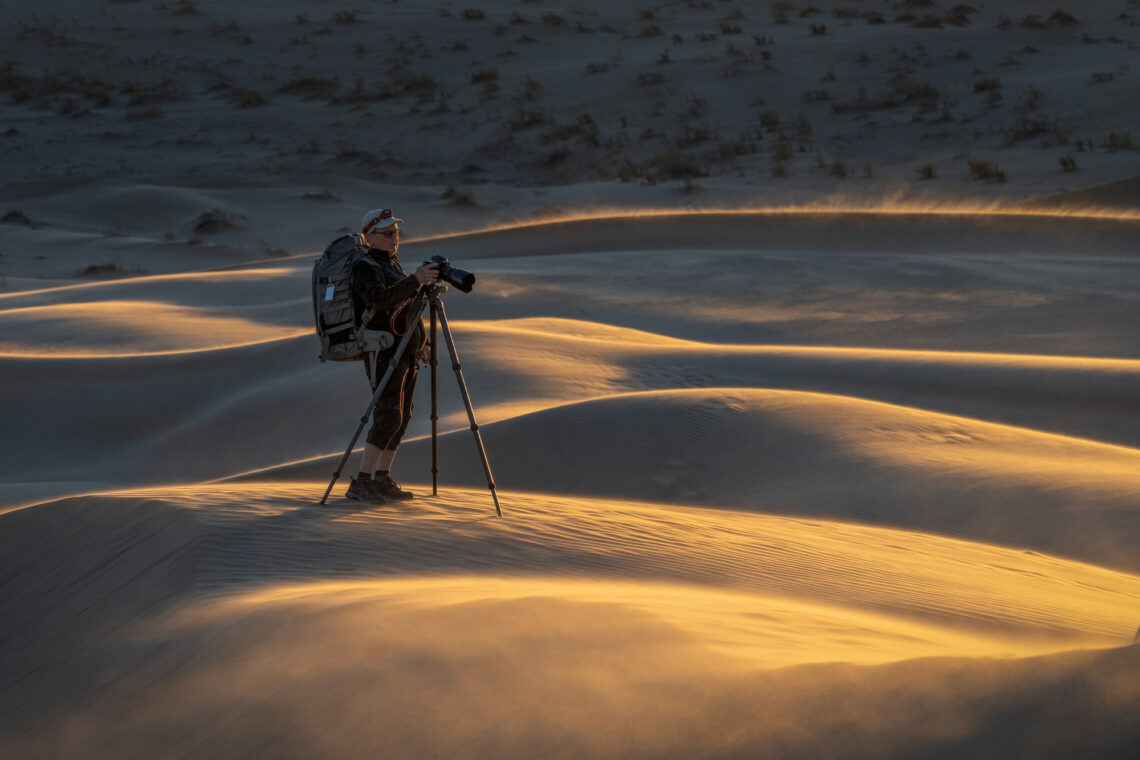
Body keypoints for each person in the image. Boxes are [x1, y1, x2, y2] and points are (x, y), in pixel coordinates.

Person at [344, 208, 440, 503]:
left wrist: (420, 343)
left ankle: (382, 479)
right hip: (382, 349)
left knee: (403, 415)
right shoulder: (364, 266)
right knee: (388, 414)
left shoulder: (391, 263)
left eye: (395, 232)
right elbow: (380, 300)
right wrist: (415, 280)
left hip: (403, 349)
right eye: (387, 233)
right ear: (369, 237)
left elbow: (407, 309)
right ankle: (360, 482)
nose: (393, 237)